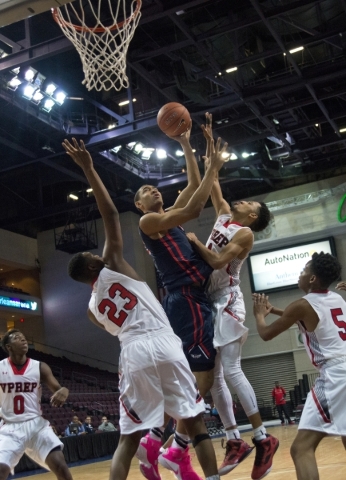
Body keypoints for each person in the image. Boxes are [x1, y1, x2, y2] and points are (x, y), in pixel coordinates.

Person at [63, 137, 222, 480]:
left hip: (132, 351)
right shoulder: (115, 263)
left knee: (127, 439)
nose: (99, 254)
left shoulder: (92, 308)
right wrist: (89, 168)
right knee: (194, 422)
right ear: (94, 266)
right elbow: (108, 213)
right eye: (94, 256)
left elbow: (112, 324)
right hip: (164, 340)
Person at [134, 119, 232, 480]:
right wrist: (215, 169)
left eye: (155, 190)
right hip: (184, 300)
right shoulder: (149, 224)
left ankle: (171, 442)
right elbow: (194, 208)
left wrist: (188, 145)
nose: (154, 193)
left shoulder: (167, 218)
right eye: (147, 190)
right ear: (138, 202)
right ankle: (165, 439)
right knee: (200, 378)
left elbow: (192, 187)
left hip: (195, 300)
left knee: (201, 376)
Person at [186, 114, 278, 480]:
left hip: (228, 301)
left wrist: (194, 243)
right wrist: (208, 151)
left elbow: (219, 261)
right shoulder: (224, 214)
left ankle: (263, 437)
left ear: (252, 215)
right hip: (213, 301)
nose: (242, 200)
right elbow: (214, 186)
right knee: (218, 377)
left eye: (249, 202)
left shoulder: (247, 235)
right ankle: (234, 438)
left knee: (232, 370)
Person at [253, 251, 346, 480]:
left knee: (300, 449)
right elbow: (305, 317)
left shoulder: (302, 305)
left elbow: (265, 334)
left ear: (312, 278)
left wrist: (259, 315)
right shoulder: (337, 298)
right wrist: (274, 310)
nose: (301, 274)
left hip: (336, 376)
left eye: (304, 270)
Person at [0, 329, 73, 480]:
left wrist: (64, 390)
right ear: (9, 347)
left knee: (61, 466)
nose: (23, 340)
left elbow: (58, 389)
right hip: (10, 427)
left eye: (24, 338)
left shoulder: (40, 367)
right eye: (17, 338)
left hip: (36, 426)